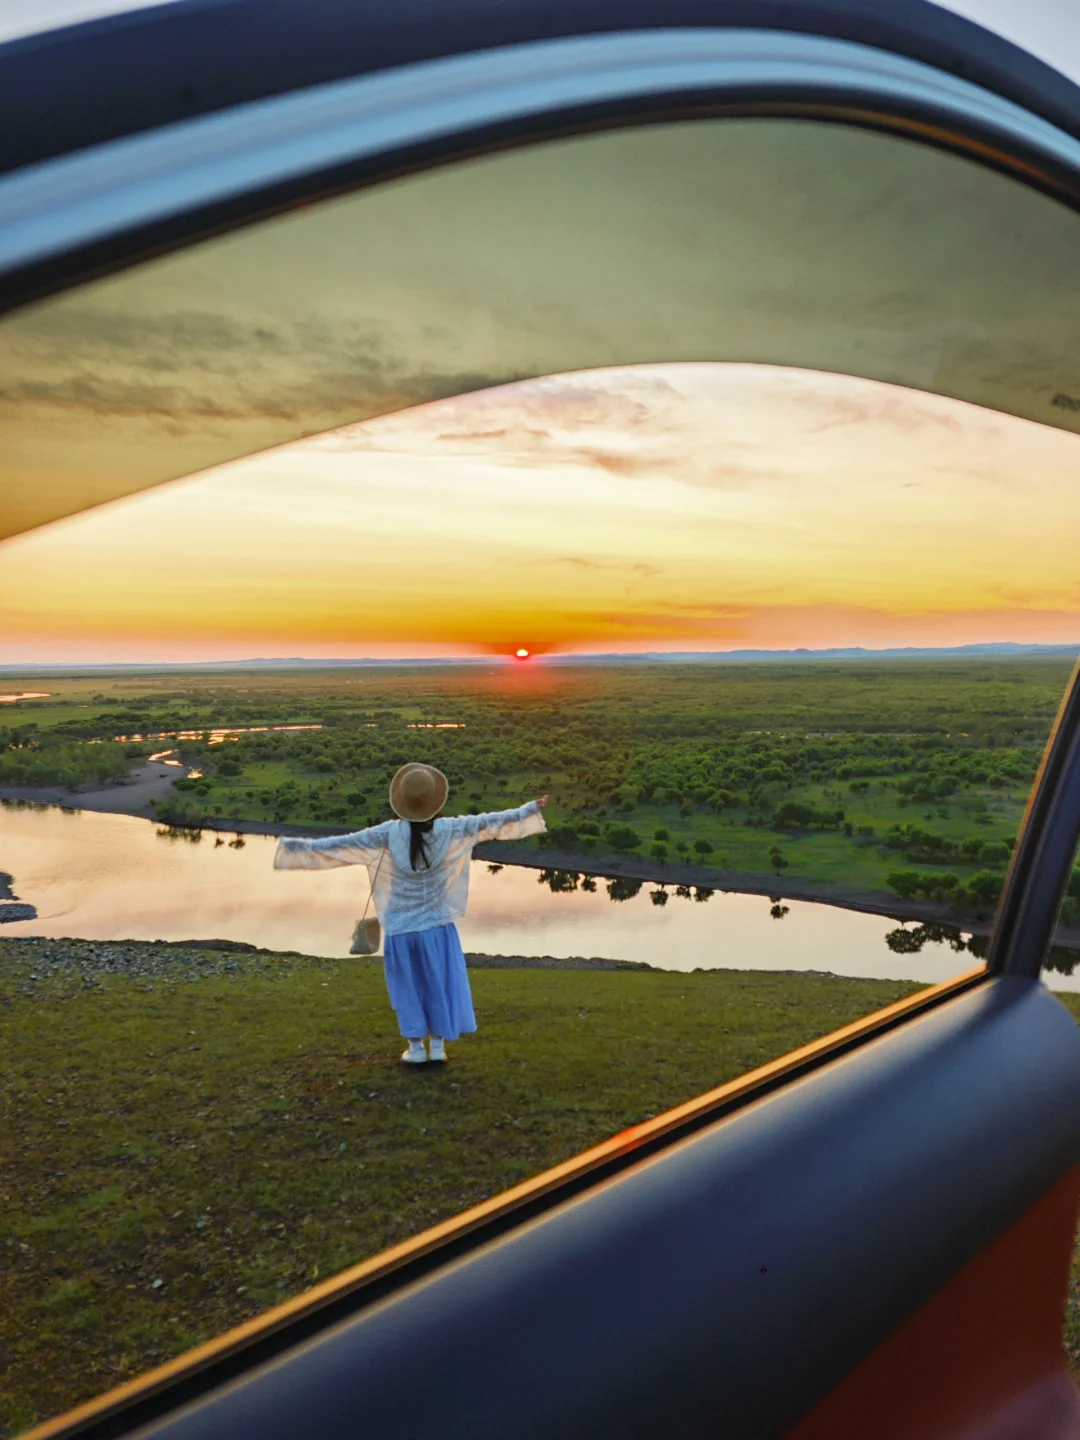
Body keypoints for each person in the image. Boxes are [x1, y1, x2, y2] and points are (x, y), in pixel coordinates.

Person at [274, 763, 548, 1064]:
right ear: (435, 801)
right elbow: (491, 822)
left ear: (402, 801)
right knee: (438, 983)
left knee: (409, 987)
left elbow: (340, 845)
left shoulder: (388, 833)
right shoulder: (451, 829)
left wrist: (292, 847)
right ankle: (439, 1046)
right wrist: (528, 809)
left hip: (401, 930)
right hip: (437, 927)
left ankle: (416, 1047)